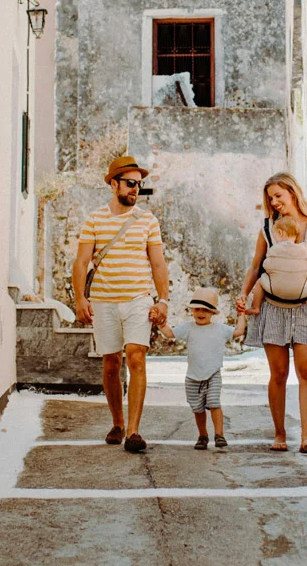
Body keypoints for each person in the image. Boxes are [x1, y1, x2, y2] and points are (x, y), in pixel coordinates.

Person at [236, 173, 307, 454]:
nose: (274, 203)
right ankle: (280, 434)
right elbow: (255, 266)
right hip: (272, 308)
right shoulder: (267, 229)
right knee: (279, 373)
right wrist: (243, 292)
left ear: (293, 194)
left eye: (278, 196)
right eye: (270, 199)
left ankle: (306, 436)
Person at [72, 155, 170, 453]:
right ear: (113, 184)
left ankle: (134, 431)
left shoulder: (147, 220)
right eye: (129, 183)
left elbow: (158, 263)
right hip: (103, 301)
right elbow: (81, 261)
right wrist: (79, 298)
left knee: (137, 357)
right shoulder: (95, 219)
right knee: (112, 363)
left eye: (138, 185)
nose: (135, 189)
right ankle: (117, 422)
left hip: (138, 299)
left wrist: (163, 299)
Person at [159, 287, 246, 450]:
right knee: (197, 409)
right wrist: (160, 323)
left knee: (214, 403)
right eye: (197, 309)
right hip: (192, 376)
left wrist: (241, 314)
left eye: (205, 310)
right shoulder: (188, 327)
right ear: (192, 310)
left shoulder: (220, 329)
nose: (201, 313)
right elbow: (169, 333)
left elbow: (239, 331)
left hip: (213, 374)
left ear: (213, 313)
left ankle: (219, 435)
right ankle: (202, 435)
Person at [245, 214, 307, 328]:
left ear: (280, 233)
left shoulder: (274, 249)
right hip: (300, 292)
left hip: (274, 290)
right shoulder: (303, 249)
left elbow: (266, 265)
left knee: (259, 282)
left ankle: (255, 307)